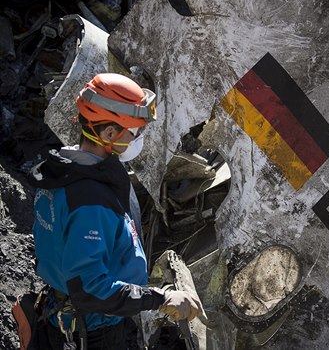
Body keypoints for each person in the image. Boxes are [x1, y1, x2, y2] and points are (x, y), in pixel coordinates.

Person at [29, 73, 203, 349]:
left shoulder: (63, 170)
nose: (140, 138)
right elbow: (90, 289)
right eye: (135, 132)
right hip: (95, 331)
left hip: (66, 313)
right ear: (109, 133)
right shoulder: (89, 201)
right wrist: (161, 299)